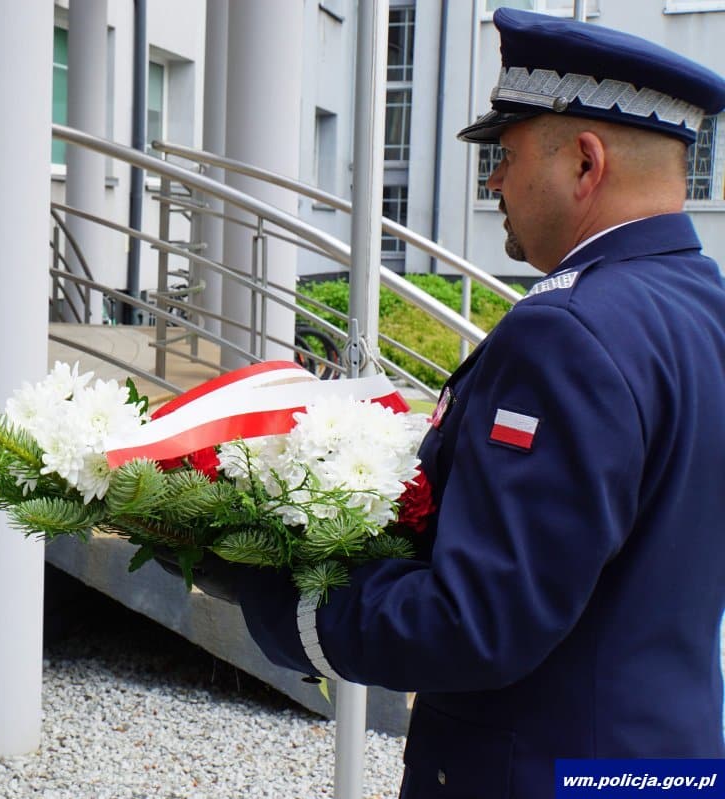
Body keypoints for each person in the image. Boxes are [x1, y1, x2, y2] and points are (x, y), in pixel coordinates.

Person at [235, 9, 725, 798]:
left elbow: (479, 617)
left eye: (506, 153)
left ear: (586, 162)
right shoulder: (702, 304)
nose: (493, 181)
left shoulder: (568, 331)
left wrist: (278, 596)